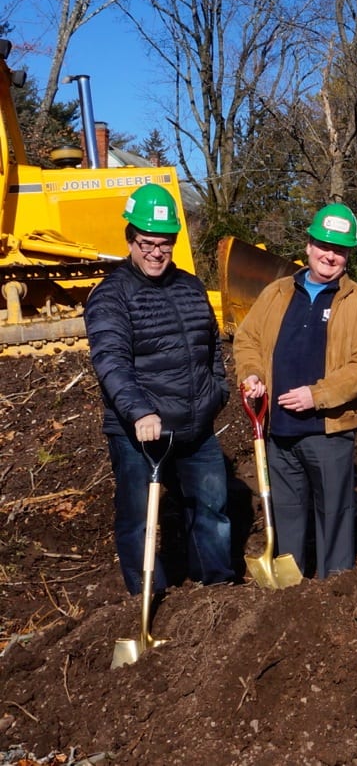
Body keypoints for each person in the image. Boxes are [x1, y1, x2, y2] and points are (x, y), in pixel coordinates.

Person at [85, 183, 234, 595]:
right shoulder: (110, 295)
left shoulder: (190, 286)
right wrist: (139, 412)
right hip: (140, 432)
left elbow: (211, 347)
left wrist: (216, 392)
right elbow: (110, 361)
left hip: (196, 425)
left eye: (164, 243)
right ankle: (147, 597)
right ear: (131, 240)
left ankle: (216, 594)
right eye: (147, 243)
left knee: (212, 511)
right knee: (139, 520)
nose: (156, 252)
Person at [235, 204, 357, 579]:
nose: (330, 255)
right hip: (278, 431)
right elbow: (248, 339)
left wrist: (317, 395)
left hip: (328, 431)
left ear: (348, 255)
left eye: (340, 249)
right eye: (323, 245)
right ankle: (289, 599)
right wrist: (252, 375)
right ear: (309, 244)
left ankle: (333, 596)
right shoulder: (277, 293)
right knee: (287, 517)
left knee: (334, 518)